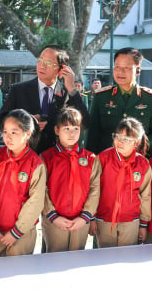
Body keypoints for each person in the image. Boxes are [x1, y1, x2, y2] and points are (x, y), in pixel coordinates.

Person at [0, 45, 89, 153]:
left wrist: (72, 89)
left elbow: (85, 123)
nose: (42, 66)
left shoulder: (67, 94)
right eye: (40, 60)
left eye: (48, 63)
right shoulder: (18, 90)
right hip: (25, 156)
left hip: (56, 158)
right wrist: (25, 122)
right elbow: (0, 123)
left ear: (61, 68)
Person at [40, 108, 100, 252]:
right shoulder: (46, 158)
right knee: (54, 258)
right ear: (56, 130)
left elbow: (95, 189)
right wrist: (53, 216)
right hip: (54, 220)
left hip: (81, 221)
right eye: (66, 128)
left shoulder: (90, 158)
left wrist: (86, 217)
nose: (71, 133)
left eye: (76, 128)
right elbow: (41, 190)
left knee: (77, 260)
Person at [0, 109, 46, 257]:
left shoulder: (35, 163)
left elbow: (36, 202)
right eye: (5, 132)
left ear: (27, 134)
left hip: (22, 234)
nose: (8, 137)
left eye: (14, 132)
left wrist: (16, 232)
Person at [88, 47, 152, 155]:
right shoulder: (101, 97)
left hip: (139, 162)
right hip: (107, 162)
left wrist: (139, 145)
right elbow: (92, 134)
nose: (120, 72)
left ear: (138, 70)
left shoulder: (151, 99)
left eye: (126, 67)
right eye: (117, 67)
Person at [90, 117, 152, 247]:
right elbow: (93, 190)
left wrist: (143, 224)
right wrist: (91, 217)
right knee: (105, 259)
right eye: (117, 136)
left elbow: (145, 196)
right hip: (104, 219)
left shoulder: (143, 164)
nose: (120, 142)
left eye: (126, 139)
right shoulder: (103, 158)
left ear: (136, 142)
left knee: (127, 259)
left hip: (131, 221)